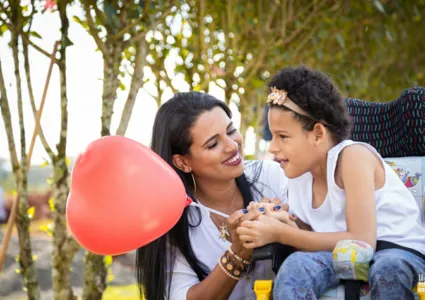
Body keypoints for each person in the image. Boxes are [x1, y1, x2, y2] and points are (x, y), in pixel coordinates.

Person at [236, 66, 425, 300]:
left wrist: (282, 233)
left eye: (282, 136)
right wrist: (282, 220)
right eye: (272, 136)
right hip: (339, 257)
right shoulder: (297, 174)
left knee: (388, 268)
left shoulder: (353, 158)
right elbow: (312, 236)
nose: (273, 147)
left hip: (397, 253)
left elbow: (362, 241)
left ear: (318, 134)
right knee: (296, 265)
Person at [136, 92, 289, 300]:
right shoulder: (172, 222)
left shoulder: (271, 177)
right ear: (182, 162)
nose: (232, 146)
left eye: (231, 131)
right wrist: (237, 253)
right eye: (213, 144)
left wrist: (285, 226)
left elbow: (320, 237)